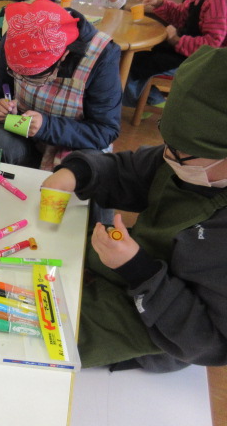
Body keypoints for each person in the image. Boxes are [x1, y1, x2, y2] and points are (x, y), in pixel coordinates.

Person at [42, 45, 227, 372]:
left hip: (162, 322)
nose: (168, 157)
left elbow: (208, 340)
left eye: (182, 154)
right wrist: (76, 172)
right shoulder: (185, 156)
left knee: (46, 335)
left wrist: (138, 269)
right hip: (134, 265)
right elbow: (128, 170)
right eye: (167, 143)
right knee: (49, 251)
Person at [0, 0, 122, 172]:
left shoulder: (102, 56)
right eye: (18, 75)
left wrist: (46, 126)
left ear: (64, 56)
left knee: (87, 166)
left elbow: (105, 131)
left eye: (36, 79)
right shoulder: (17, 38)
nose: (23, 82)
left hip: (75, 144)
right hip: (24, 137)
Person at [123, 0, 227, 109]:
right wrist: (159, 3)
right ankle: (150, 100)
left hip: (200, 61)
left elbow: (211, 45)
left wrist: (175, 40)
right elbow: (183, 14)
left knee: (133, 63)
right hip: (185, 50)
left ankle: (144, 103)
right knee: (134, 56)